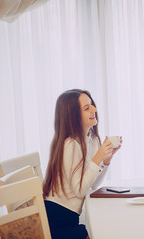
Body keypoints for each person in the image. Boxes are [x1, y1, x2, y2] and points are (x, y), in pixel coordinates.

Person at [43, 89, 122, 239]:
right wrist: (97, 158)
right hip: (57, 217)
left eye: (92, 105)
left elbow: (93, 184)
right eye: (87, 108)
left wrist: (106, 161)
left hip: (70, 216)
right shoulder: (70, 145)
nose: (94, 109)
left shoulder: (92, 139)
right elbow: (80, 190)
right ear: (73, 116)